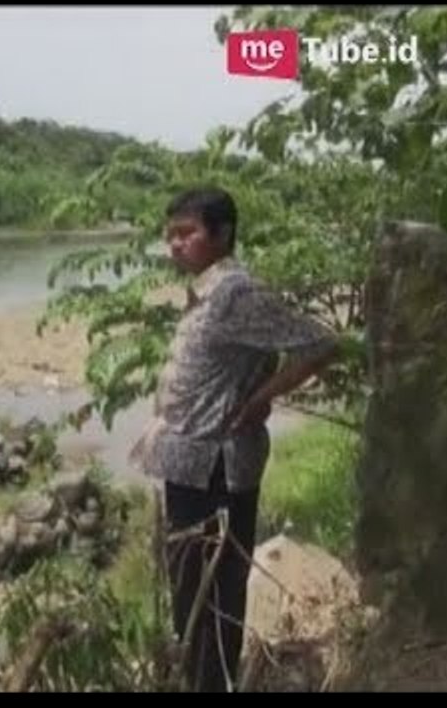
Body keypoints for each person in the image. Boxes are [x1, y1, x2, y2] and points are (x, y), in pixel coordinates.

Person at [129, 186, 340, 692]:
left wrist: (264, 396)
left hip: (215, 471)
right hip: (189, 466)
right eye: (171, 236)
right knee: (189, 594)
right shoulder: (207, 290)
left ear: (223, 234)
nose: (176, 245)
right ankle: (200, 679)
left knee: (210, 598)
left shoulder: (235, 293)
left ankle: (210, 683)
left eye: (188, 233)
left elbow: (320, 343)